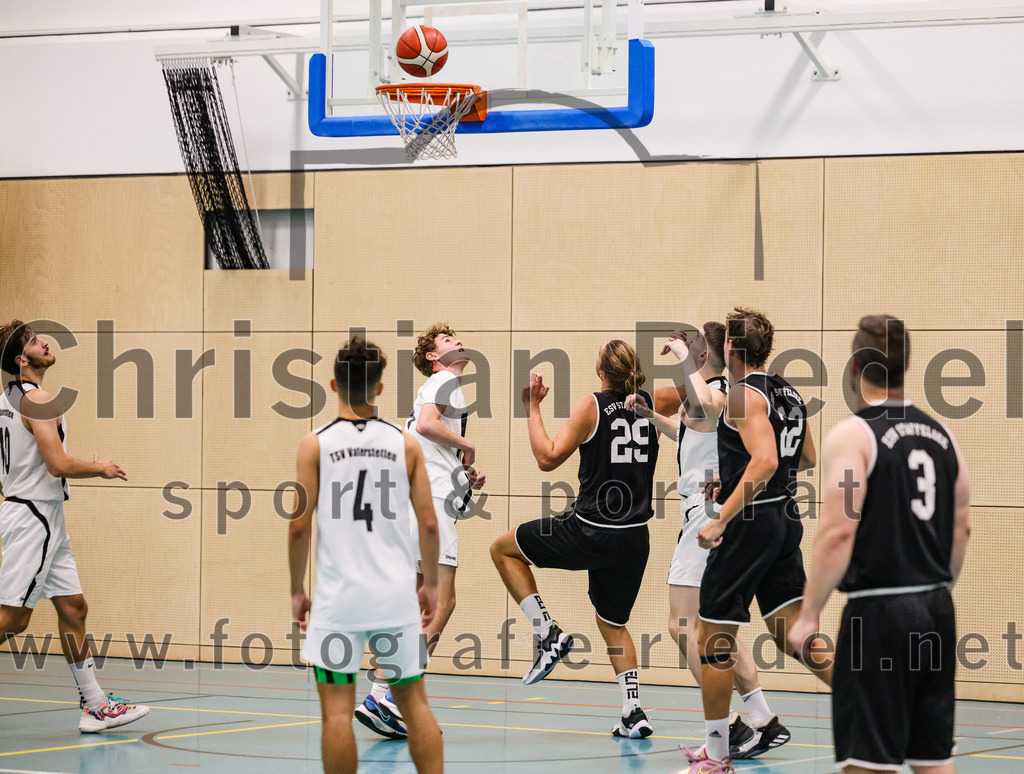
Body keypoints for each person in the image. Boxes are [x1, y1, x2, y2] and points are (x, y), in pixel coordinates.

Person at [789, 316, 970, 774]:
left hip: (879, 618)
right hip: (936, 609)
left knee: (866, 762)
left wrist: (809, 614)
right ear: (906, 365)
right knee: (932, 759)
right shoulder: (944, 437)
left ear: (854, 367)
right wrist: (936, 587)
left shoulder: (854, 435)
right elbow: (962, 527)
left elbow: (839, 529)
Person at [627, 323, 788, 759]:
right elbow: (691, 434)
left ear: (702, 356)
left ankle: (736, 725)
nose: (690, 348)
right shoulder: (707, 398)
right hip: (704, 511)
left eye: (694, 345)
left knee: (684, 627)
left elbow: (702, 403)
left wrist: (681, 356)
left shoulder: (717, 390)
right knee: (714, 626)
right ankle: (760, 718)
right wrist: (653, 417)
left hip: (708, 514)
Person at [683, 308, 829, 774]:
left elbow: (764, 461)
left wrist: (722, 515)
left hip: (751, 523)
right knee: (792, 631)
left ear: (729, 348)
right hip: (785, 516)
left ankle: (716, 755)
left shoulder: (743, 394)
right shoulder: (786, 392)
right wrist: (732, 478)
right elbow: (804, 456)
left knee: (712, 636)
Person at [288, 337, 443, 774]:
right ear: (378, 389)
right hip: (395, 601)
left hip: (339, 604)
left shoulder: (314, 444)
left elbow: (299, 525)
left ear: (335, 383)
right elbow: (430, 524)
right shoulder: (405, 443)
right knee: (415, 708)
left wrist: (297, 590)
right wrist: (430, 585)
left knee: (337, 714)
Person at [491, 340, 659, 738]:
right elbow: (702, 395)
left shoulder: (592, 405)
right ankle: (633, 712)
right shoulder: (653, 401)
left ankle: (548, 633)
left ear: (602, 370)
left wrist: (532, 407)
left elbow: (547, 458)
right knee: (613, 624)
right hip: (634, 539)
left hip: (589, 531)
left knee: (503, 549)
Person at [0, 320, 149, 733]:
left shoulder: (7, 399)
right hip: (35, 518)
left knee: (73, 608)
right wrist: (100, 466)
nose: (44, 342)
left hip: (40, 514)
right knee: (12, 619)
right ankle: (96, 704)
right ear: (21, 359)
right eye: (33, 341)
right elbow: (58, 463)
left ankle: (95, 705)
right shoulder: (38, 400)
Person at [355, 323, 485, 738]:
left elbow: (424, 439)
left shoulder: (438, 387)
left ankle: (380, 694)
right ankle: (395, 694)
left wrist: (464, 473)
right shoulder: (445, 379)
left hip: (412, 504)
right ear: (433, 356)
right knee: (442, 604)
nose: (458, 343)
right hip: (428, 508)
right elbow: (428, 426)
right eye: (447, 341)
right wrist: (468, 446)